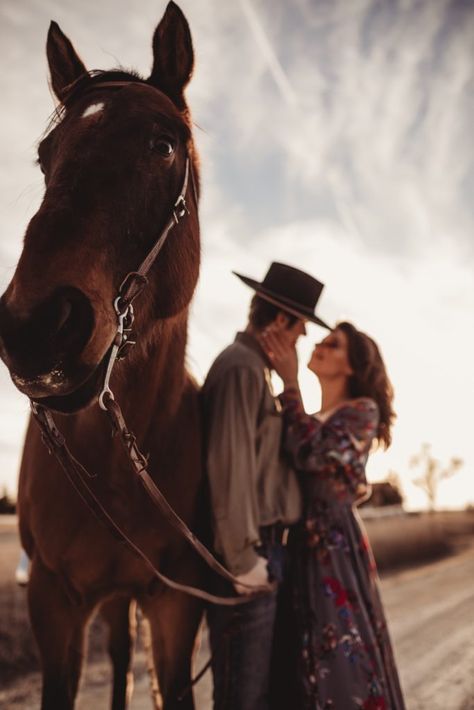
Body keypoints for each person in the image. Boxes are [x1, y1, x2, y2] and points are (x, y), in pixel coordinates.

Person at [202, 262, 331, 710]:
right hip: (251, 558)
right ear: (280, 322)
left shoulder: (256, 372)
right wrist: (242, 560)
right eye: (301, 329)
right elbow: (228, 465)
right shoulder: (240, 368)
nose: (301, 339)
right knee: (243, 698)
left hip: (268, 552)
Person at [262, 321, 406, 709]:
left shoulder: (362, 411)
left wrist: (290, 383)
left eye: (334, 344)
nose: (320, 346)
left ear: (354, 367)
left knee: (340, 655)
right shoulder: (312, 415)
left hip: (333, 549)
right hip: (295, 549)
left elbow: (310, 452)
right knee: (295, 661)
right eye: (322, 340)